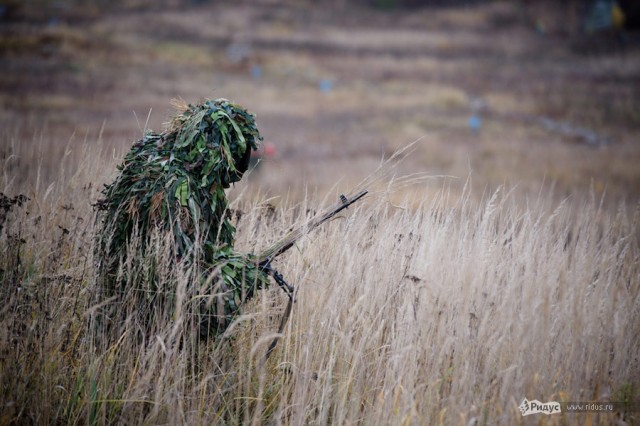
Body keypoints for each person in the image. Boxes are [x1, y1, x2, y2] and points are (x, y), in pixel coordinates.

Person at [96, 98, 272, 338]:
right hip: (156, 320)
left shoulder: (151, 161)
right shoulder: (181, 190)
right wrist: (242, 274)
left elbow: (207, 250)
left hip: (115, 302)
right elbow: (187, 270)